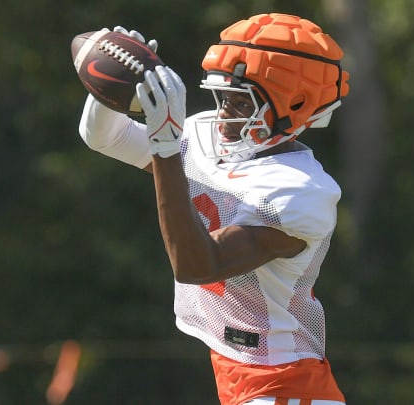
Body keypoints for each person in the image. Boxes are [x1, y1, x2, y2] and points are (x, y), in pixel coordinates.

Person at [77, 13, 350, 405]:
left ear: (296, 104)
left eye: (242, 103)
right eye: (223, 97)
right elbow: (104, 137)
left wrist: (166, 147)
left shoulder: (301, 192)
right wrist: (114, 85)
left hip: (282, 381)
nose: (223, 116)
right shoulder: (206, 134)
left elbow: (196, 265)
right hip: (232, 366)